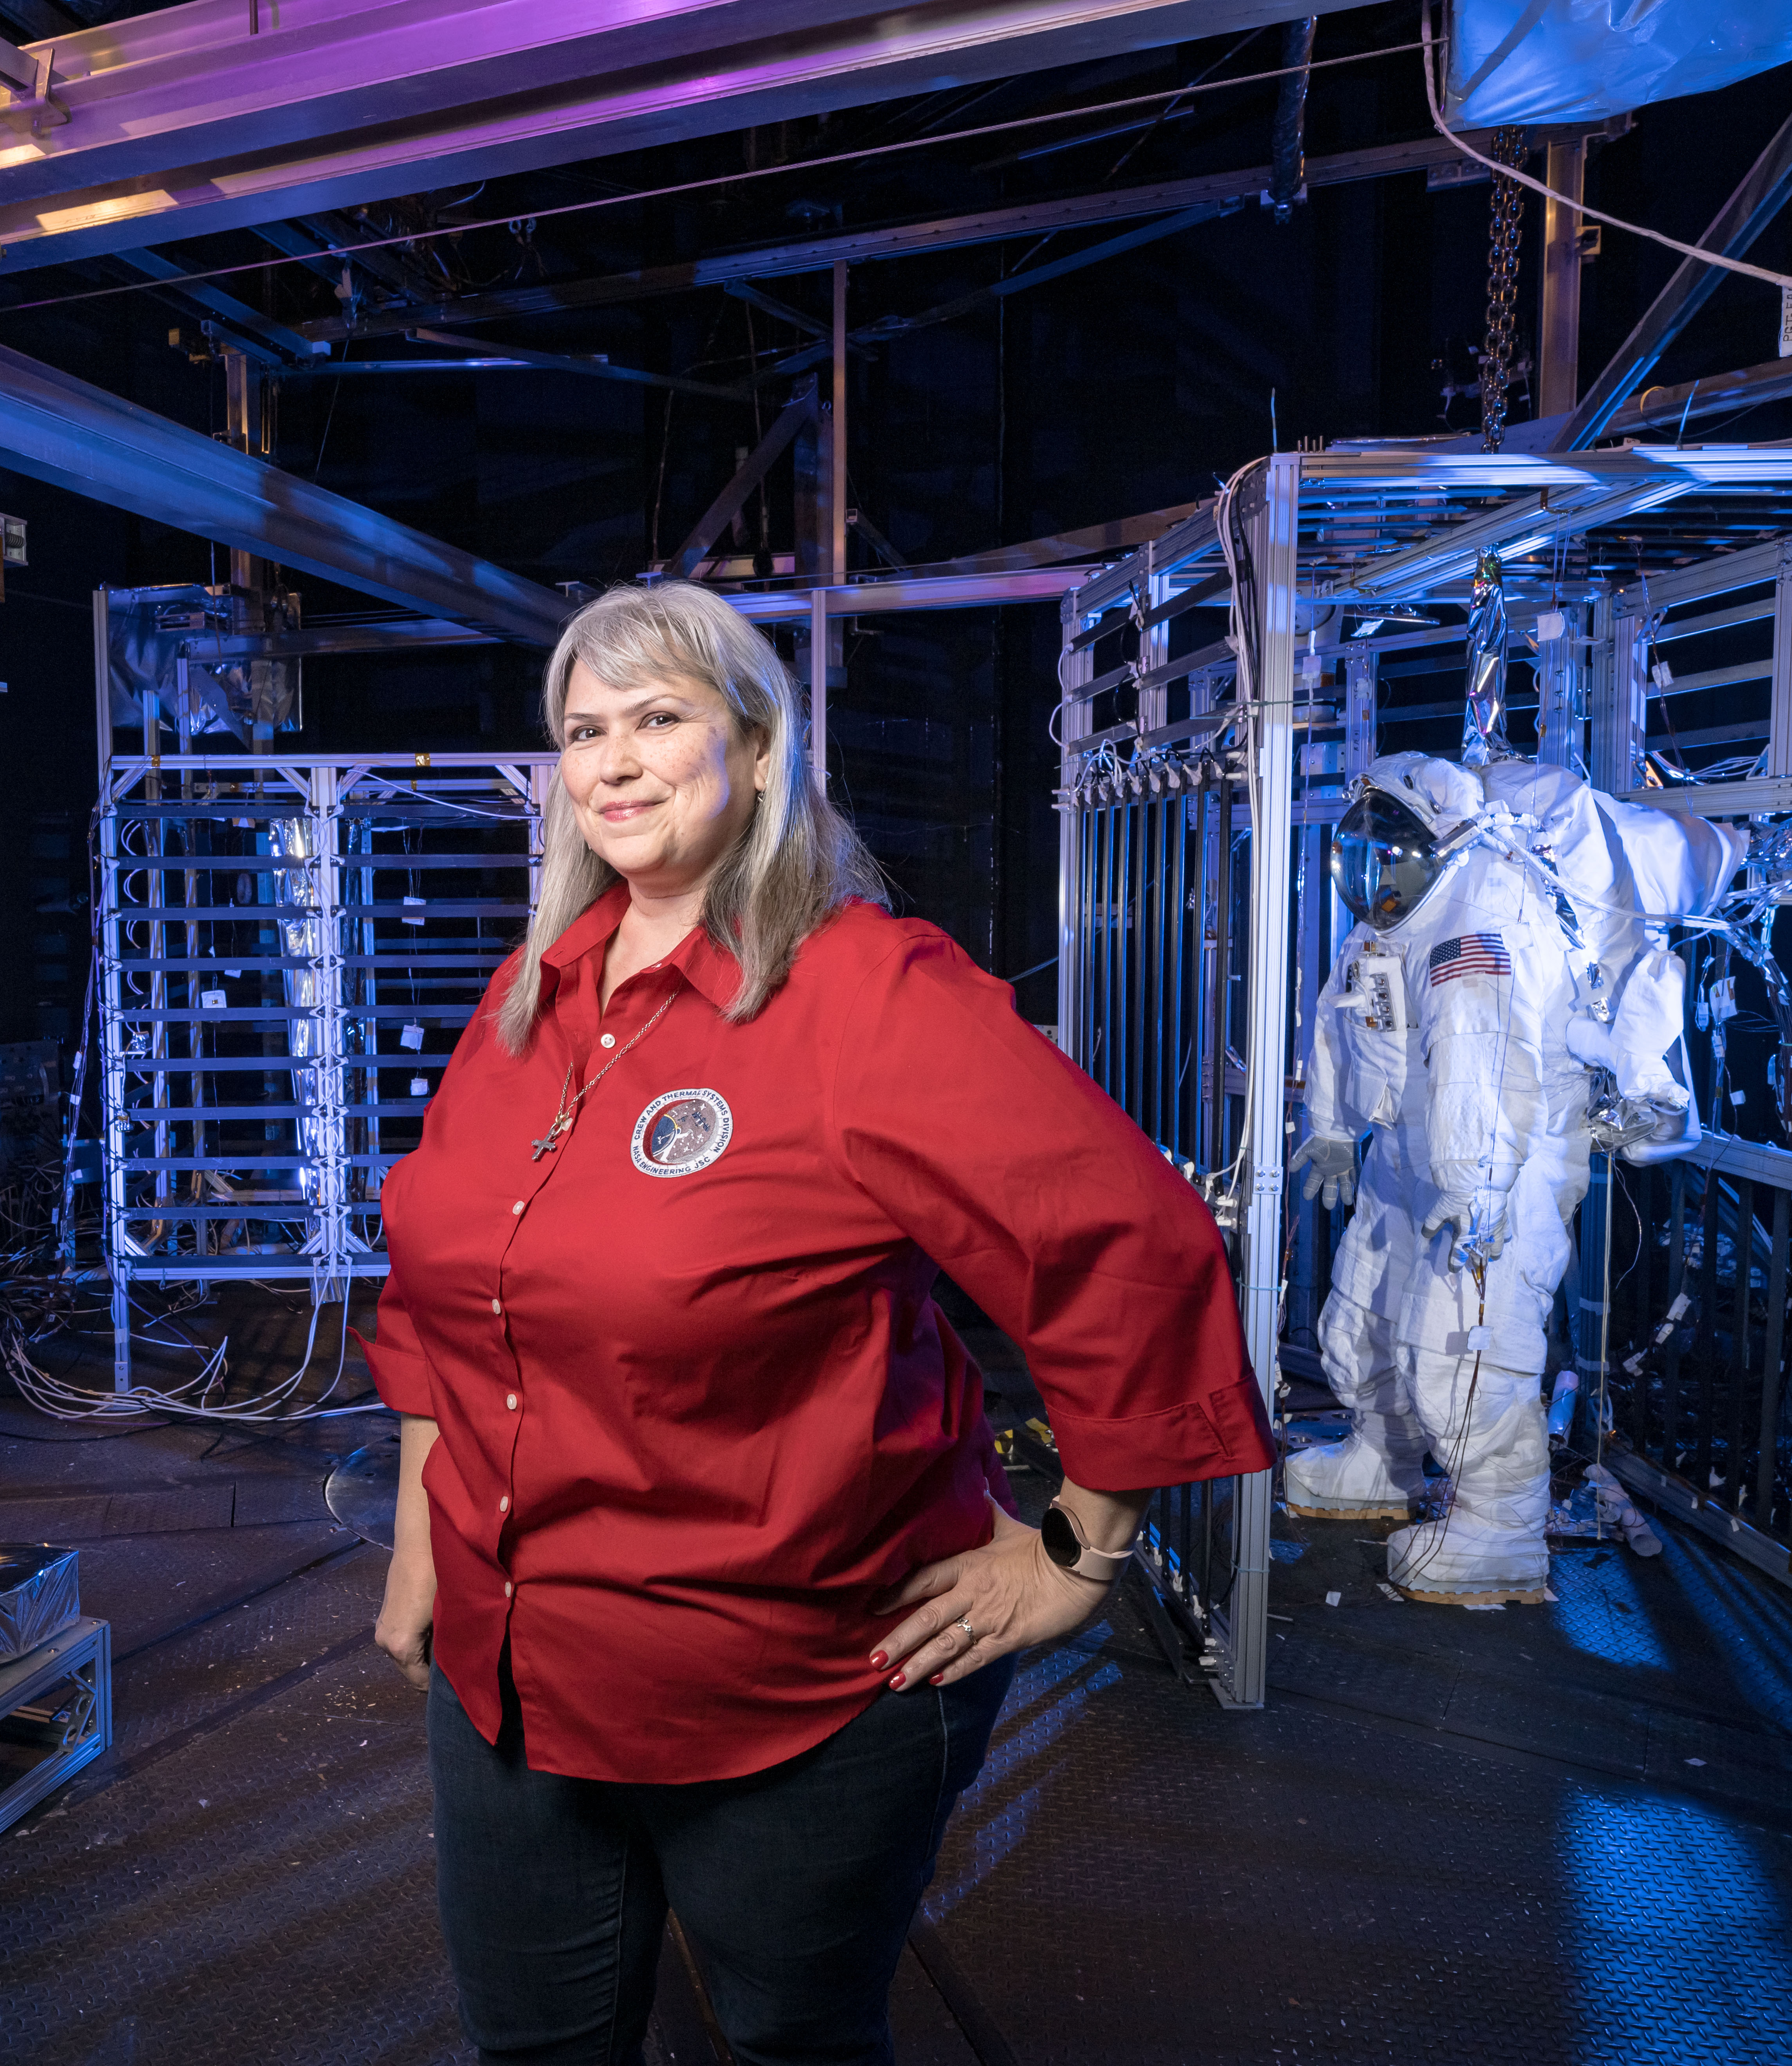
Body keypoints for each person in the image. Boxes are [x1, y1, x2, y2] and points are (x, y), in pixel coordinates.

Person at [364, 580, 1270, 2065]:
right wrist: (422, 1549)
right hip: (510, 1672)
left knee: (793, 2045)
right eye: (583, 730)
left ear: (762, 746)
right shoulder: (532, 1000)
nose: (612, 762)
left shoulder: (864, 992)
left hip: (790, 1686)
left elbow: (1126, 1238)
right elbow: (438, 1304)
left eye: (658, 719)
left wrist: (1077, 1554)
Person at [1285, 753, 1735, 1603]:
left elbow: (1479, 1058)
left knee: (1465, 1334)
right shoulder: (1391, 917)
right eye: (1368, 846)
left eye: (1393, 846)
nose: (1376, 864)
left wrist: (1477, 1181)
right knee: (1366, 1306)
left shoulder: (1482, 910)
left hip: (1498, 1164)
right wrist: (1336, 1127)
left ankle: (1499, 1523)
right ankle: (1380, 1457)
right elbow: (1345, 1013)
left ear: (1442, 843)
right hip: (1407, 1146)